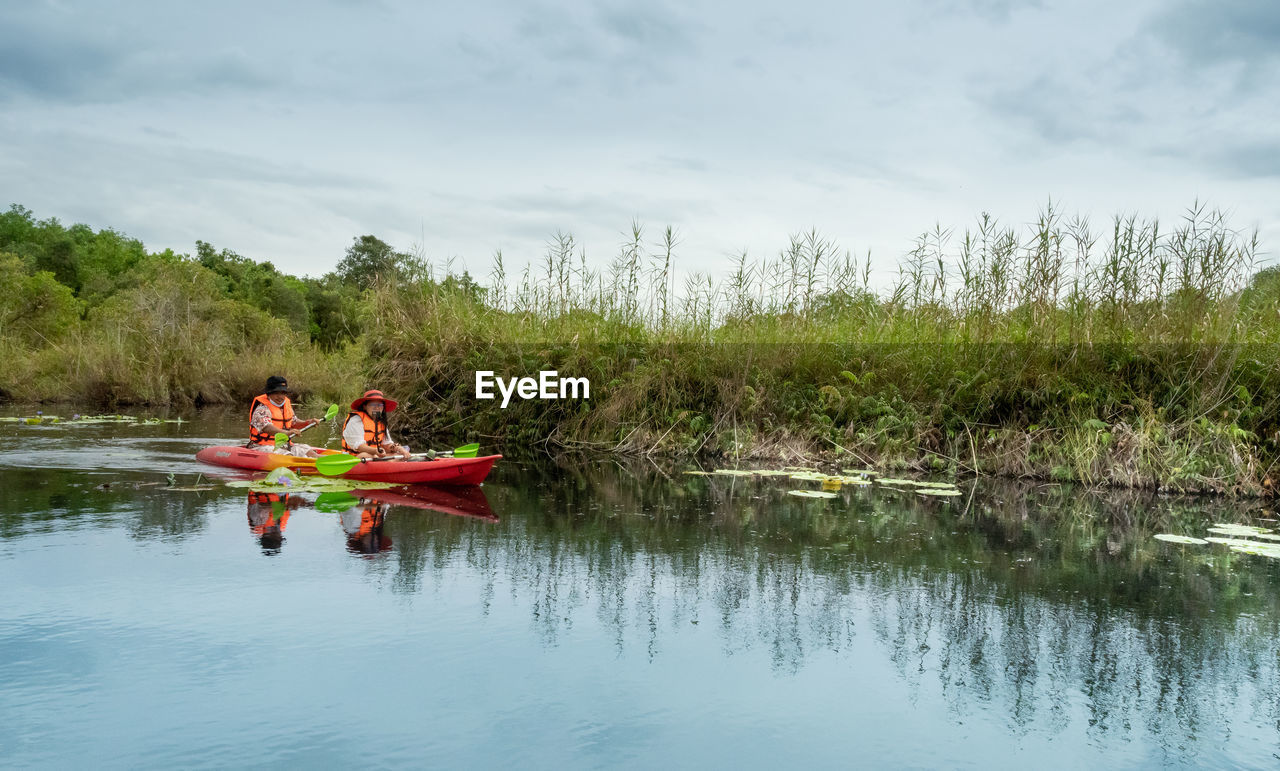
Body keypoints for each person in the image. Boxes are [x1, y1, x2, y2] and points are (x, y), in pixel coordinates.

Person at [248, 375, 320, 458]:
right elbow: (266, 427)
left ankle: (332, 463)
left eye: (283, 393)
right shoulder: (262, 408)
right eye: (276, 393)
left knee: (310, 453)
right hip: (262, 446)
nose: (280, 397)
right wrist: (286, 433)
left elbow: (293, 422)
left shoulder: (286, 405)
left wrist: (308, 422)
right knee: (288, 456)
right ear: (268, 394)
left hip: (284, 445)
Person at [342, 389, 411, 460]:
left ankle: (392, 462)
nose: (377, 408)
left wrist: (399, 449)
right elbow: (359, 447)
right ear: (364, 406)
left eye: (380, 405)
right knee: (365, 455)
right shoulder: (356, 419)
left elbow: (387, 445)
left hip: (376, 455)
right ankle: (390, 463)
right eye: (373, 404)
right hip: (353, 457)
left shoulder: (381, 423)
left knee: (399, 453)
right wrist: (375, 451)